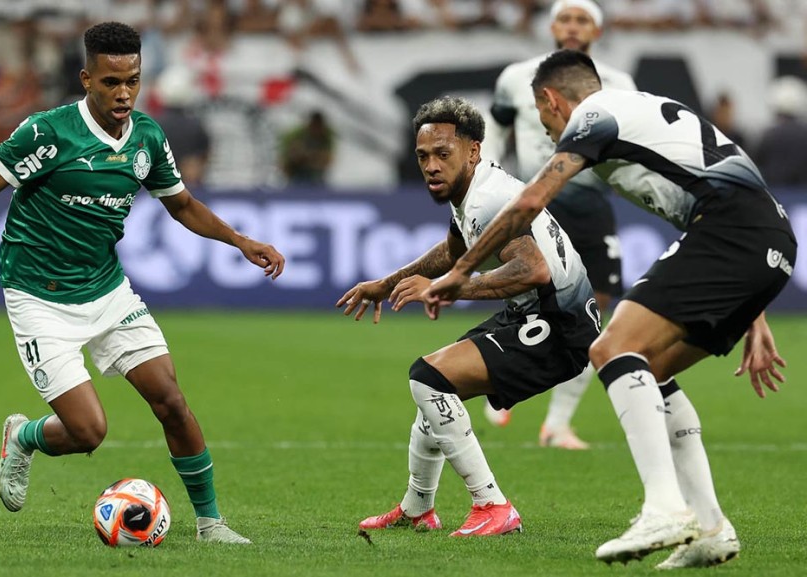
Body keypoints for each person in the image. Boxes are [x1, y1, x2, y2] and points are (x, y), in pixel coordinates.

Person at [0, 21, 285, 545]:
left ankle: (210, 523)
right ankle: (24, 436)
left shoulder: (147, 138)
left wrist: (239, 241)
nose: (124, 93)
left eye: (133, 81)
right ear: (87, 79)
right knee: (88, 432)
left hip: (106, 290)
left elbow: (182, 205)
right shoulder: (48, 133)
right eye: (111, 82)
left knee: (171, 401)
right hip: (38, 297)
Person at [423, 50, 795, 568]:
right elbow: (723, 196)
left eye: (543, 118)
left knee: (613, 348)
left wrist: (461, 272)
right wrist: (754, 311)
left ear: (551, 100)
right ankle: (710, 527)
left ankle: (664, 509)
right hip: (766, 239)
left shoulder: (595, 116)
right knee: (653, 369)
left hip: (732, 232)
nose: (547, 132)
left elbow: (528, 203)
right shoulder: (642, 113)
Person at [337, 96, 599, 537]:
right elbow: (454, 252)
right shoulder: (474, 191)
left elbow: (532, 269)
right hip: (534, 314)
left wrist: (448, 289)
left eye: (443, 154)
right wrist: (387, 283)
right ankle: (417, 508)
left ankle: (492, 505)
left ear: (473, 150)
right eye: (423, 156)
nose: (431, 166)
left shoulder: (487, 199)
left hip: (559, 325)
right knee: (436, 393)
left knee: (428, 379)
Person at [486, 0, 637, 449]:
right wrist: (489, 179)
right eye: (565, 18)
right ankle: (499, 381)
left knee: (596, 309)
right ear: (552, 26)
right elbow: (498, 131)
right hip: (533, 204)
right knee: (528, 302)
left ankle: (556, 423)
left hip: (592, 203)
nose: (572, 27)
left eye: (582, 20)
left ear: (597, 31)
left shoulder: (620, 83)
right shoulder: (516, 77)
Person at [279, 110, 336, 185]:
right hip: (296, 176)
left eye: (318, 126)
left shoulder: (327, 136)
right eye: (314, 126)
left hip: (316, 177)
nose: (316, 130)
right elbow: (286, 158)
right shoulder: (297, 134)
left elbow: (327, 160)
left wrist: (310, 157)